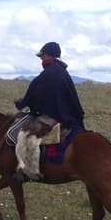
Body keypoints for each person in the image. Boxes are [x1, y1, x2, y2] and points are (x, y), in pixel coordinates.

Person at [13, 41, 85, 179]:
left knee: (26, 136)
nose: (41, 59)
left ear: (50, 55)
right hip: (65, 114)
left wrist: (24, 103)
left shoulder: (51, 73)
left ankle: (30, 171)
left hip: (55, 116)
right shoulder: (60, 71)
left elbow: (36, 93)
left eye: (43, 56)